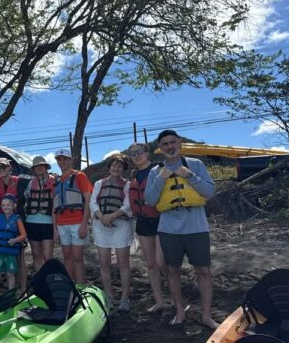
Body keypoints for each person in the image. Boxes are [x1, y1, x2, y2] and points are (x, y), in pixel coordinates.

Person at [144, 130, 217, 328]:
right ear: (160, 149)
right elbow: (150, 200)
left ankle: (206, 315)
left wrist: (190, 176)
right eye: (165, 144)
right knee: (172, 271)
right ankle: (179, 312)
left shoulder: (195, 165)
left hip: (197, 227)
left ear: (180, 144)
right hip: (169, 229)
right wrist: (161, 178)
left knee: (203, 270)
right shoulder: (154, 172)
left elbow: (209, 191)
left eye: (172, 142)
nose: (169, 146)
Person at [90, 154, 134, 311]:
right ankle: (108, 295)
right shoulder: (99, 184)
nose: (116, 168)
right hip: (101, 226)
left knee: (123, 264)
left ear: (123, 169)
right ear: (109, 167)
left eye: (119, 166)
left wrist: (112, 216)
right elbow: (93, 203)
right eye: (114, 166)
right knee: (104, 264)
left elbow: (128, 205)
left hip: (121, 226)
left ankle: (125, 298)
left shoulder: (127, 185)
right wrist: (102, 217)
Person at [127, 142, 167, 313]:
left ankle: (175, 295)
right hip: (143, 222)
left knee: (161, 263)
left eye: (139, 152)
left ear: (147, 153)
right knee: (151, 264)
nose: (137, 155)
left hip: (160, 220)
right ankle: (159, 301)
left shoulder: (159, 169)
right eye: (133, 153)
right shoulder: (134, 174)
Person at [52, 149, 93, 284]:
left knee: (77, 257)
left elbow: (88, 199)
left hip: (77, 222)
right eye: (59, 159)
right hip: (61, 224)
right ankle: (70, 286)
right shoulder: (57, 181)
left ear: (70, 160)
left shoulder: (79, 176)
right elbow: (54, 207)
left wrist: (84, 223)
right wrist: (55, 230)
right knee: (67, 256)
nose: (62, 162)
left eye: (65, 159)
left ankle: (80, 286)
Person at [0, 157, 30, 291]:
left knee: (20, 257)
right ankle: (7, 287)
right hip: (1, 226)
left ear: (9, 167)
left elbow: (37, 181)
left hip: (18, 224)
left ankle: (23, 289)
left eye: (4, 167)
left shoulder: (22, 182)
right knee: (3, 255)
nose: (1, 170)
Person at [23, 155, 56, 274]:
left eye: (41, 165)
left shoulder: (54, 181)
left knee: (48, 256)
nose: (39, 168)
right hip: (31, 222)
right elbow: (26, 198)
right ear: (34, 169)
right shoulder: (31, 183)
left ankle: (50, 280)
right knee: (36, 255)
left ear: (45, 167)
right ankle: (41, 280)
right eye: (37, 166)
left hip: (48, 223)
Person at [0, 194, 27, 298]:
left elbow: (24, 235)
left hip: (10, 252)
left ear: (14, 206)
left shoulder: (17, 219)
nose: (6, 207)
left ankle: (10, 296)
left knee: (10, 274)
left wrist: (15, 240)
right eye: (3, 205)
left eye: (8, 205)